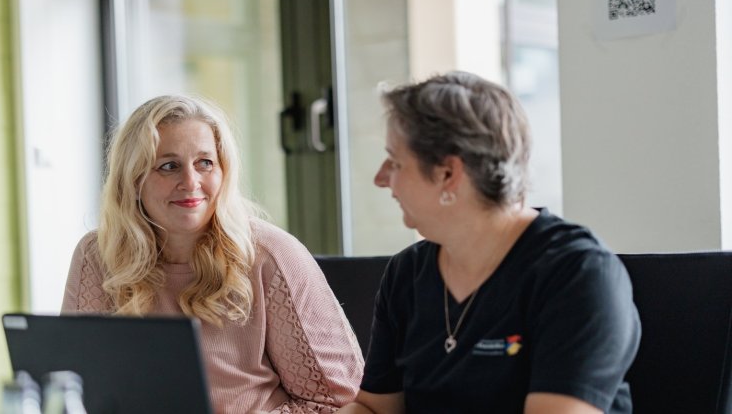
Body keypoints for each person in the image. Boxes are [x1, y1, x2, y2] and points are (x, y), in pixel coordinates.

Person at [338, 72, 641, 414]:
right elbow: (375, 409)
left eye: (395, 162)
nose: (381, 179)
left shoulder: (578, 275)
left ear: (448, 174)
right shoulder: (406, 273)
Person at [61, 94, 364, 413]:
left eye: (205, 163)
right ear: (134, 181)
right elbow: (73, 387)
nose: (190, 182)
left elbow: (338, 402)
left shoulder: (272, 255)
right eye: (169, 166)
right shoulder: (98, 254)